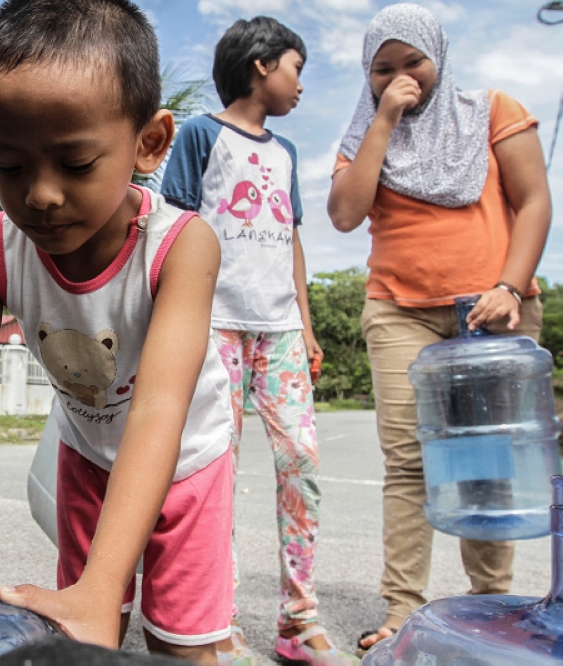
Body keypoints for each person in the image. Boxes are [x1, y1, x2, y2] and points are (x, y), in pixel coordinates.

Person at [0, 0, 237, 662]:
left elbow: (160, 408)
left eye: (76, 164)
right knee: (85, 628)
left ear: (150, 142)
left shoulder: (181, 247)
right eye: (9, 165)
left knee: (184, 644)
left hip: (188, 463)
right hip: (87, 459)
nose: (41, 196)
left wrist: (102, 581)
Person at [326, 3, 552, 656]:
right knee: (407, 462)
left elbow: (534, 200)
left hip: (494, 310)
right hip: (399, 311)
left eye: (413, 62)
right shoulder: (365, 131)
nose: (402, 77)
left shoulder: (492, 109)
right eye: (383, 69)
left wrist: (509, 285)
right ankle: (403, 608)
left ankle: (493, 604)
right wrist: (384, 119)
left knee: (489, 464)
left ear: (439, 56)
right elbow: (344, 214)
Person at [161, 17, 357, 666]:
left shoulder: (286, 153)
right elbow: (176, 225)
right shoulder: (199, 135)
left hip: (278, 332)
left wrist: (304, 320)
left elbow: (292, 238)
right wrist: (174, 318)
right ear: (261, 66)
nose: (302, 85)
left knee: (300, 459)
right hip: (213, 324)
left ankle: (298, 622)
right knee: (215, 472)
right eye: (297, 69)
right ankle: (216, 623)